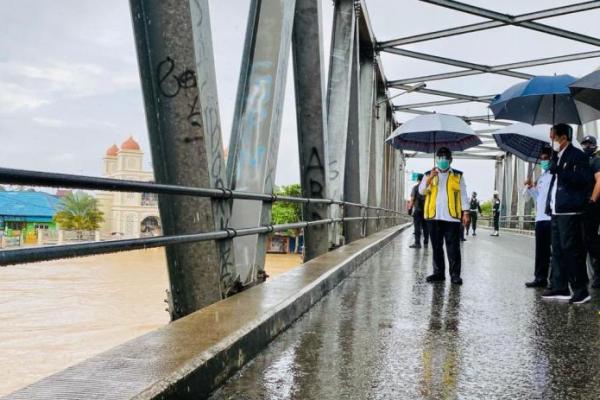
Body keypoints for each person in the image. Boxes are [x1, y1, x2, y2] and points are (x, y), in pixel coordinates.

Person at [542, 124, 592, 304]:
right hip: (557, 210)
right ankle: (560, 286)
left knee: (571, 251)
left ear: (563, 138)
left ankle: (581, 290)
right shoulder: (558, 156)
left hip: (570, 211)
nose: (552, 141)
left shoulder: (577, 156)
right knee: (557, 250)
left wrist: (560, 171)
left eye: (553, 137)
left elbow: (584, 181)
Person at [419, 147, 470, 285]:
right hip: (433, 217)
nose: (442, 160)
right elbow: (422, 191)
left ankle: (455, 275)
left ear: (450, 160)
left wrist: (465, 212)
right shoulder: (428, 174)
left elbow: (463, 195)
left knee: (453, 247)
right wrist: (430, 178)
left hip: (451, 218)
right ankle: (438, 273)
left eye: (445, 157)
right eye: (440, 157)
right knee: (436, 247)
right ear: (436, 159)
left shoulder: (458, 175)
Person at [523, 146, 553, 288]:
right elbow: (536, 197)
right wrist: (530, 187)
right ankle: (540, 278)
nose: (543, 162)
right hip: (540, 218)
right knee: (541, 251)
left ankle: (555, 281)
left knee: (554, 252)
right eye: (542, 160)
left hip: (552, 217)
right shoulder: (541, 177)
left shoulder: (556, 175)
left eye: (546, 159)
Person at [581, 135, 600, 288]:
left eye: (589, 144)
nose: (586, 147)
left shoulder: (596, 161)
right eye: (584, 144)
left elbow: (599, 181)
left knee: (591, 241)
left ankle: (598, 275)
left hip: (592, 206)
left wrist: (592, 200)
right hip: (582, 206)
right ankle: (585, 275)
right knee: (583, 240)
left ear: (594, 146)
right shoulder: (583, 163)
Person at [408, 173, 429, 249]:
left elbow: (412, 199)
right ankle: (426, 241)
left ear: (418, 180)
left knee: (417, 227)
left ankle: (417, 243)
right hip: (426, 210)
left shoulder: (415, 187)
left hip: (417, 210)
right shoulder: (427, 188)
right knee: (425, 226)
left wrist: (410, 208)